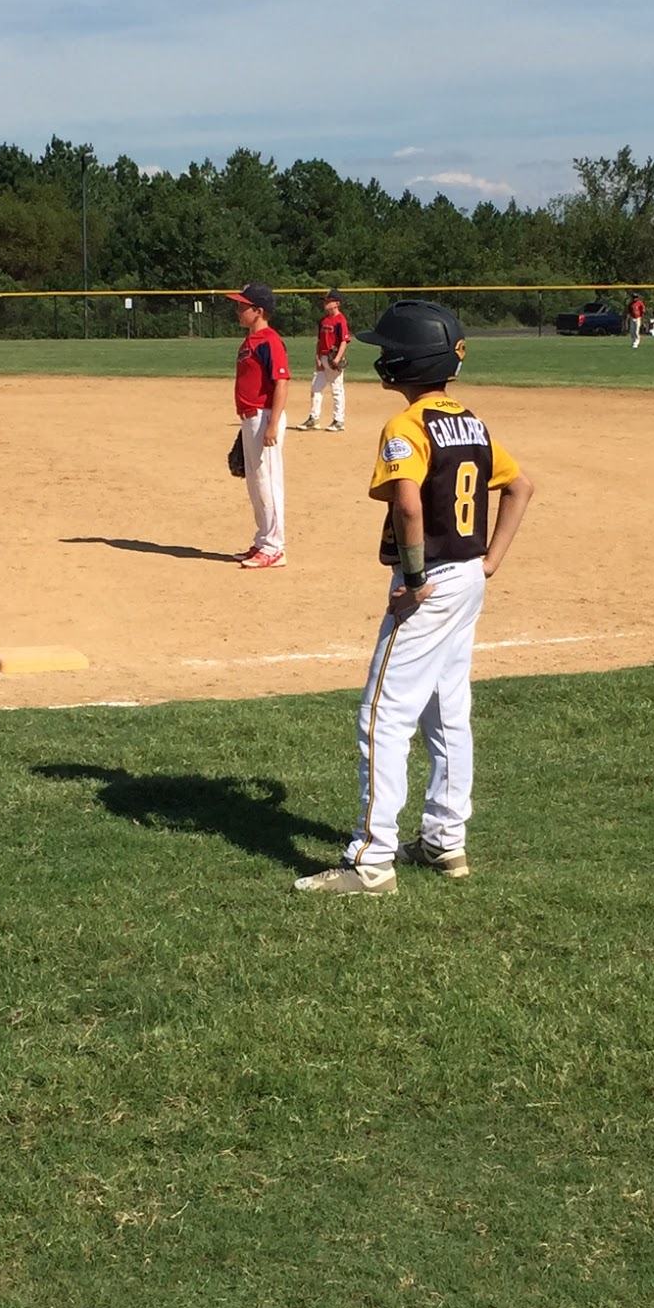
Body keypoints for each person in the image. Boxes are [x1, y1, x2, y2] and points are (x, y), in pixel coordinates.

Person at [295, 300, 534, 896]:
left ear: (406, 359)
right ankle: (443, 842)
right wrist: (491, 561)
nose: (380, 357)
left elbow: (406, 504)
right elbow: (520, 485)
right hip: (468, 579)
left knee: (383, 714)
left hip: (428, 583)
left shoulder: (406, 427)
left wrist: (415, 576)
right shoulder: (472, 422)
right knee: (447, 711)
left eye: (385, 350)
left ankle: (371, 863)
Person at [227, 282, 290, 569]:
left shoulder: (269, 341)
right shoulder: (250, 341)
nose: (238, 310)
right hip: (251, 418)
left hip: (264, 416)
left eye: (243, 306)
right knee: (255, 484)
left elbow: (281, 383)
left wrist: (272, 424)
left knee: (268, 482)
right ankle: (263, 539)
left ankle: (275, 547)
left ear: (259, 310)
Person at [297, 288, 351, 431]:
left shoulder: (340, 321)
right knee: (316, 388)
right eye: (325, 301)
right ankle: (314, 419)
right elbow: (319, 341)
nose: (325, 303)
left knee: (337, 389)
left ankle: (339, 420)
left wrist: (338, 358)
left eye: (329, 300)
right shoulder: (323, 320)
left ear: (337, 303)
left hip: (333, 359)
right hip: (323, 358)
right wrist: (317, 358)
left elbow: (344, 341)